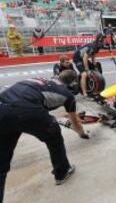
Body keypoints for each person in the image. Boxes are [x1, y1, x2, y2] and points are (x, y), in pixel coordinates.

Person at [0, 70, 89, 203]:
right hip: (26, 111)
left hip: (2, 108)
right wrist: (82, 133)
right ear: (73, 84)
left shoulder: (41, 79)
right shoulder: (68, 95)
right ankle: (62, 172)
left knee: (1, 162)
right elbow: (75, 121)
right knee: (54, 135)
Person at [73, 33, 105, 97]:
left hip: (83, 58)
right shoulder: (93, 46)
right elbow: (85, 57)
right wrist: (87, 69)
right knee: (84, 73)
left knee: (96, 67)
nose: (103, 40)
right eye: (102, 38)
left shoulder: (98, 46)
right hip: (78, 58)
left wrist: (94, 64)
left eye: (103, 39)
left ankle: (99, 86)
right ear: (98, 39)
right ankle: (84, 93)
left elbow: (93, 54)